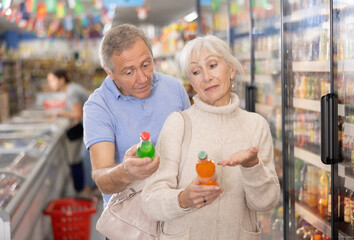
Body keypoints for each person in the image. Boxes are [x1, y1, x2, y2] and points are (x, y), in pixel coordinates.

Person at [141, 35, 280, 240]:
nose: (206, 77)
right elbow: (150, 202)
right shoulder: (178, 124)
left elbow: (266, 203)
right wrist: (183, 198)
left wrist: (252, 166)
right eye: (196, 72)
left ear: (231, 69)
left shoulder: (255, 125)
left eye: (213, 65)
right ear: (192, 83)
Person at [82, 24, 191, 210]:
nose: (142, 78)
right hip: (132, 223)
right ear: (110, 72)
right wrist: (126, 171)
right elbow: (102, 179)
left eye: (146, 65)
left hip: (176, 210)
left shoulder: (174, 87)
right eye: (129, 72)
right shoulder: (98, 107)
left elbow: (192, 142)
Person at [47, 68, 96, 196]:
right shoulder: (71, 89)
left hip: (94, 123)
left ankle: (88, 189)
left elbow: (78, 114)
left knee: (86, 157)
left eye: (52, 80)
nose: (50, 84)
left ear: (62, 80)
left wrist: (61, 113)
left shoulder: (71, 92)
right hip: (91, 123)